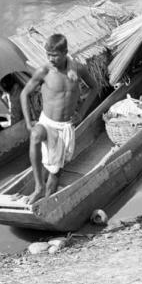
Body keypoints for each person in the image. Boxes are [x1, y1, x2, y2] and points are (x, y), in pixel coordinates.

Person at [20, 34, 101, 205]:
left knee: (56, 171)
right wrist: (28, 122)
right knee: (35, 135)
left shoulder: (77, 69)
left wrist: (82, 113)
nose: (51, 59)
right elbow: (24, 93)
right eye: (48, 54)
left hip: (65, 126)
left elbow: (95, 87)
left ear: (65, 52)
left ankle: (49, 202)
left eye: (54, 55)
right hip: (47, 122)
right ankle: (38, 187)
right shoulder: (44, 71)